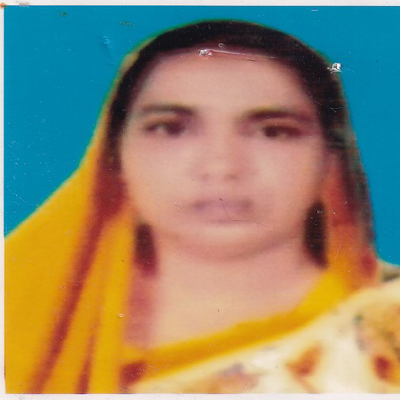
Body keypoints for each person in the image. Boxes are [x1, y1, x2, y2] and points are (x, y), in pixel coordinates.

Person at [5, 20, 400, 394]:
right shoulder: (20, 307)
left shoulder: (387, 328)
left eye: (274, 132)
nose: (221, 166)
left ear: (330, 161)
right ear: (113, 157)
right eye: (170, 128)